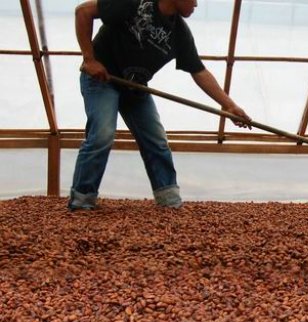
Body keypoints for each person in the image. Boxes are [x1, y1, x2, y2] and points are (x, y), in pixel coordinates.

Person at [69, 0, 251, 210]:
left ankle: (169, 202)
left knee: (156, 140)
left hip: (135, 86)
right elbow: (83, 11)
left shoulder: (179, 32)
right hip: (103, 80)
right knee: (102, 134)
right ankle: (82, 201)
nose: (196, 4)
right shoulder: (134, 4)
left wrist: (229, 107)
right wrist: (89, 59)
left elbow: (199, 72)